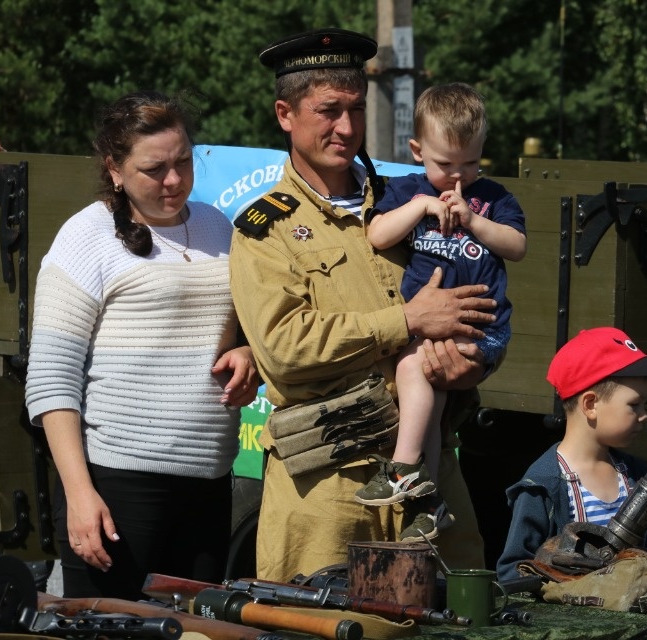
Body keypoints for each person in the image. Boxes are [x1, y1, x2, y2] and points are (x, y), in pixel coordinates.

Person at [228, 29, 496, 582]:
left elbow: (483, 293)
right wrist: (408, 320)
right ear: (285, 114)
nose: (347, 129)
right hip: (332, 491)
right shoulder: (266, 229)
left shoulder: (412, 202)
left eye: (356, 109)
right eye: (328, 111)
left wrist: (474, 363)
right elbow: (283, 349)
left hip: (430, 478)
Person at [24, 90, 258, 599]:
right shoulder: (85, 237)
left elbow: (242, 328)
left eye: (182, 162)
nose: (173, 180)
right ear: (114, 168)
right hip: (117, 484)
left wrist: (248, 353)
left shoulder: (219, 227)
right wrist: (80, 494)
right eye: (154, 169)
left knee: (195, 632)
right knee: (111, 628)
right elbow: (50, 380)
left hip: (209, 481)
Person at [354, 83, 527, 541]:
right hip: (428, 326)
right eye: (444, 165)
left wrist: (473, 220)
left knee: (414, 370)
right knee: (428, 405)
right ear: (417, 151)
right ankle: (424, 504)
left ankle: (404, 469)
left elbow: (518, 246)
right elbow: (377, 235)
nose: (457, 177)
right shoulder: (409, 192)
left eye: (470, 164)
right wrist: (421, 206)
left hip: (478, 328)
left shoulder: (492, 198)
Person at [496, 327, 647, 581]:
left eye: (646, 404)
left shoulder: (639, 479)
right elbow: (513, 570)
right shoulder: (543, 485)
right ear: (591, 404)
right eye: (634, 404)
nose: (645, 415)